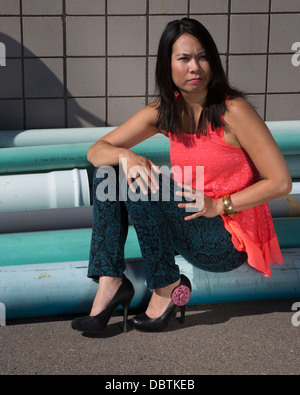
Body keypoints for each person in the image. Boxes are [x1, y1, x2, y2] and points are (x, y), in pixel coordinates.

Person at [71, 18, 292, 333]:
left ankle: (165, 287)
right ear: (167, 66)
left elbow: (281, 181)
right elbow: (96, 151)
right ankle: (110, 280)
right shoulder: (166, 111)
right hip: (186, 226)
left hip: (226, 239)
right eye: (184, 58)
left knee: (138, 180)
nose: (195, 67)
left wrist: (220, 205)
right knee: (110, 171)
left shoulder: (234, 111)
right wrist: (127, 155)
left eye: (202, 57)